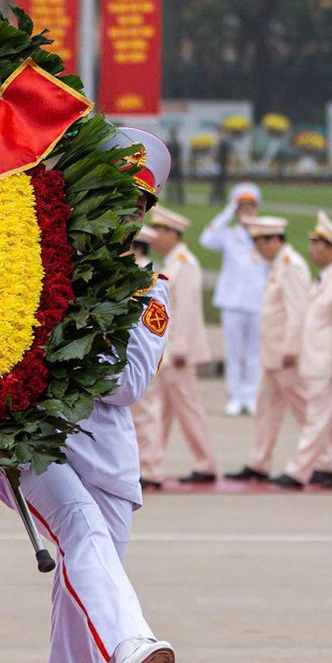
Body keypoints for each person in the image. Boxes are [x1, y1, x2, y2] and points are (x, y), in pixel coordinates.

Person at [9, 128, 178, 663]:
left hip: (107, 463)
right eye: (113, 192)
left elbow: (127, 382)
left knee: (74, 645)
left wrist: (68, 335)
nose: (124, 211)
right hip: (33, 445)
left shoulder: (151, 289)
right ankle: (133, 639)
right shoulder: (30, 260)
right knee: (79, 530)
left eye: (137, 202)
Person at [273, 213, 332, 490]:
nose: (312, 250)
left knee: (317, 419)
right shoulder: (323, 280)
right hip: (318, 362)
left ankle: (299, 471)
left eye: (318, 245)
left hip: (329, 364)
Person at [135, 207, 217, 484]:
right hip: (168, 351)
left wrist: (180, 348)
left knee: (186, 409)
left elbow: (188, 310)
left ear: (172, 234)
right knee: (164, 413)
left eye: (160, 231)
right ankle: (152, 465)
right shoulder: (171, 263)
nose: (155, 237)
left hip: (178, 352)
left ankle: (204, 464)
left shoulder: (186, 263)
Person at [232, 215, 309, 482]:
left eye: (261, 242)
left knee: (305, 410)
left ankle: (318, 463)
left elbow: (298, 311)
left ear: (275, 240)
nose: (258, 249)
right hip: (272, 355)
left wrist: (292, 348)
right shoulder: (278, 265)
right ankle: (259, 462)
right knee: (266, 409)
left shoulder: (292, 266)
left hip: (286, 355)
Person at [199, 182, 266, 415]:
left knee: (255, 355)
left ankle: (252, 395)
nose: (247, 212)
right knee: (234, 353)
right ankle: (235, 398)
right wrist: (228, 212)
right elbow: (206, 240)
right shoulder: (228, 235)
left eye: (251, 207)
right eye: (242, 207)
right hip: (233, 302)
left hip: (258, 302)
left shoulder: (265, 235)